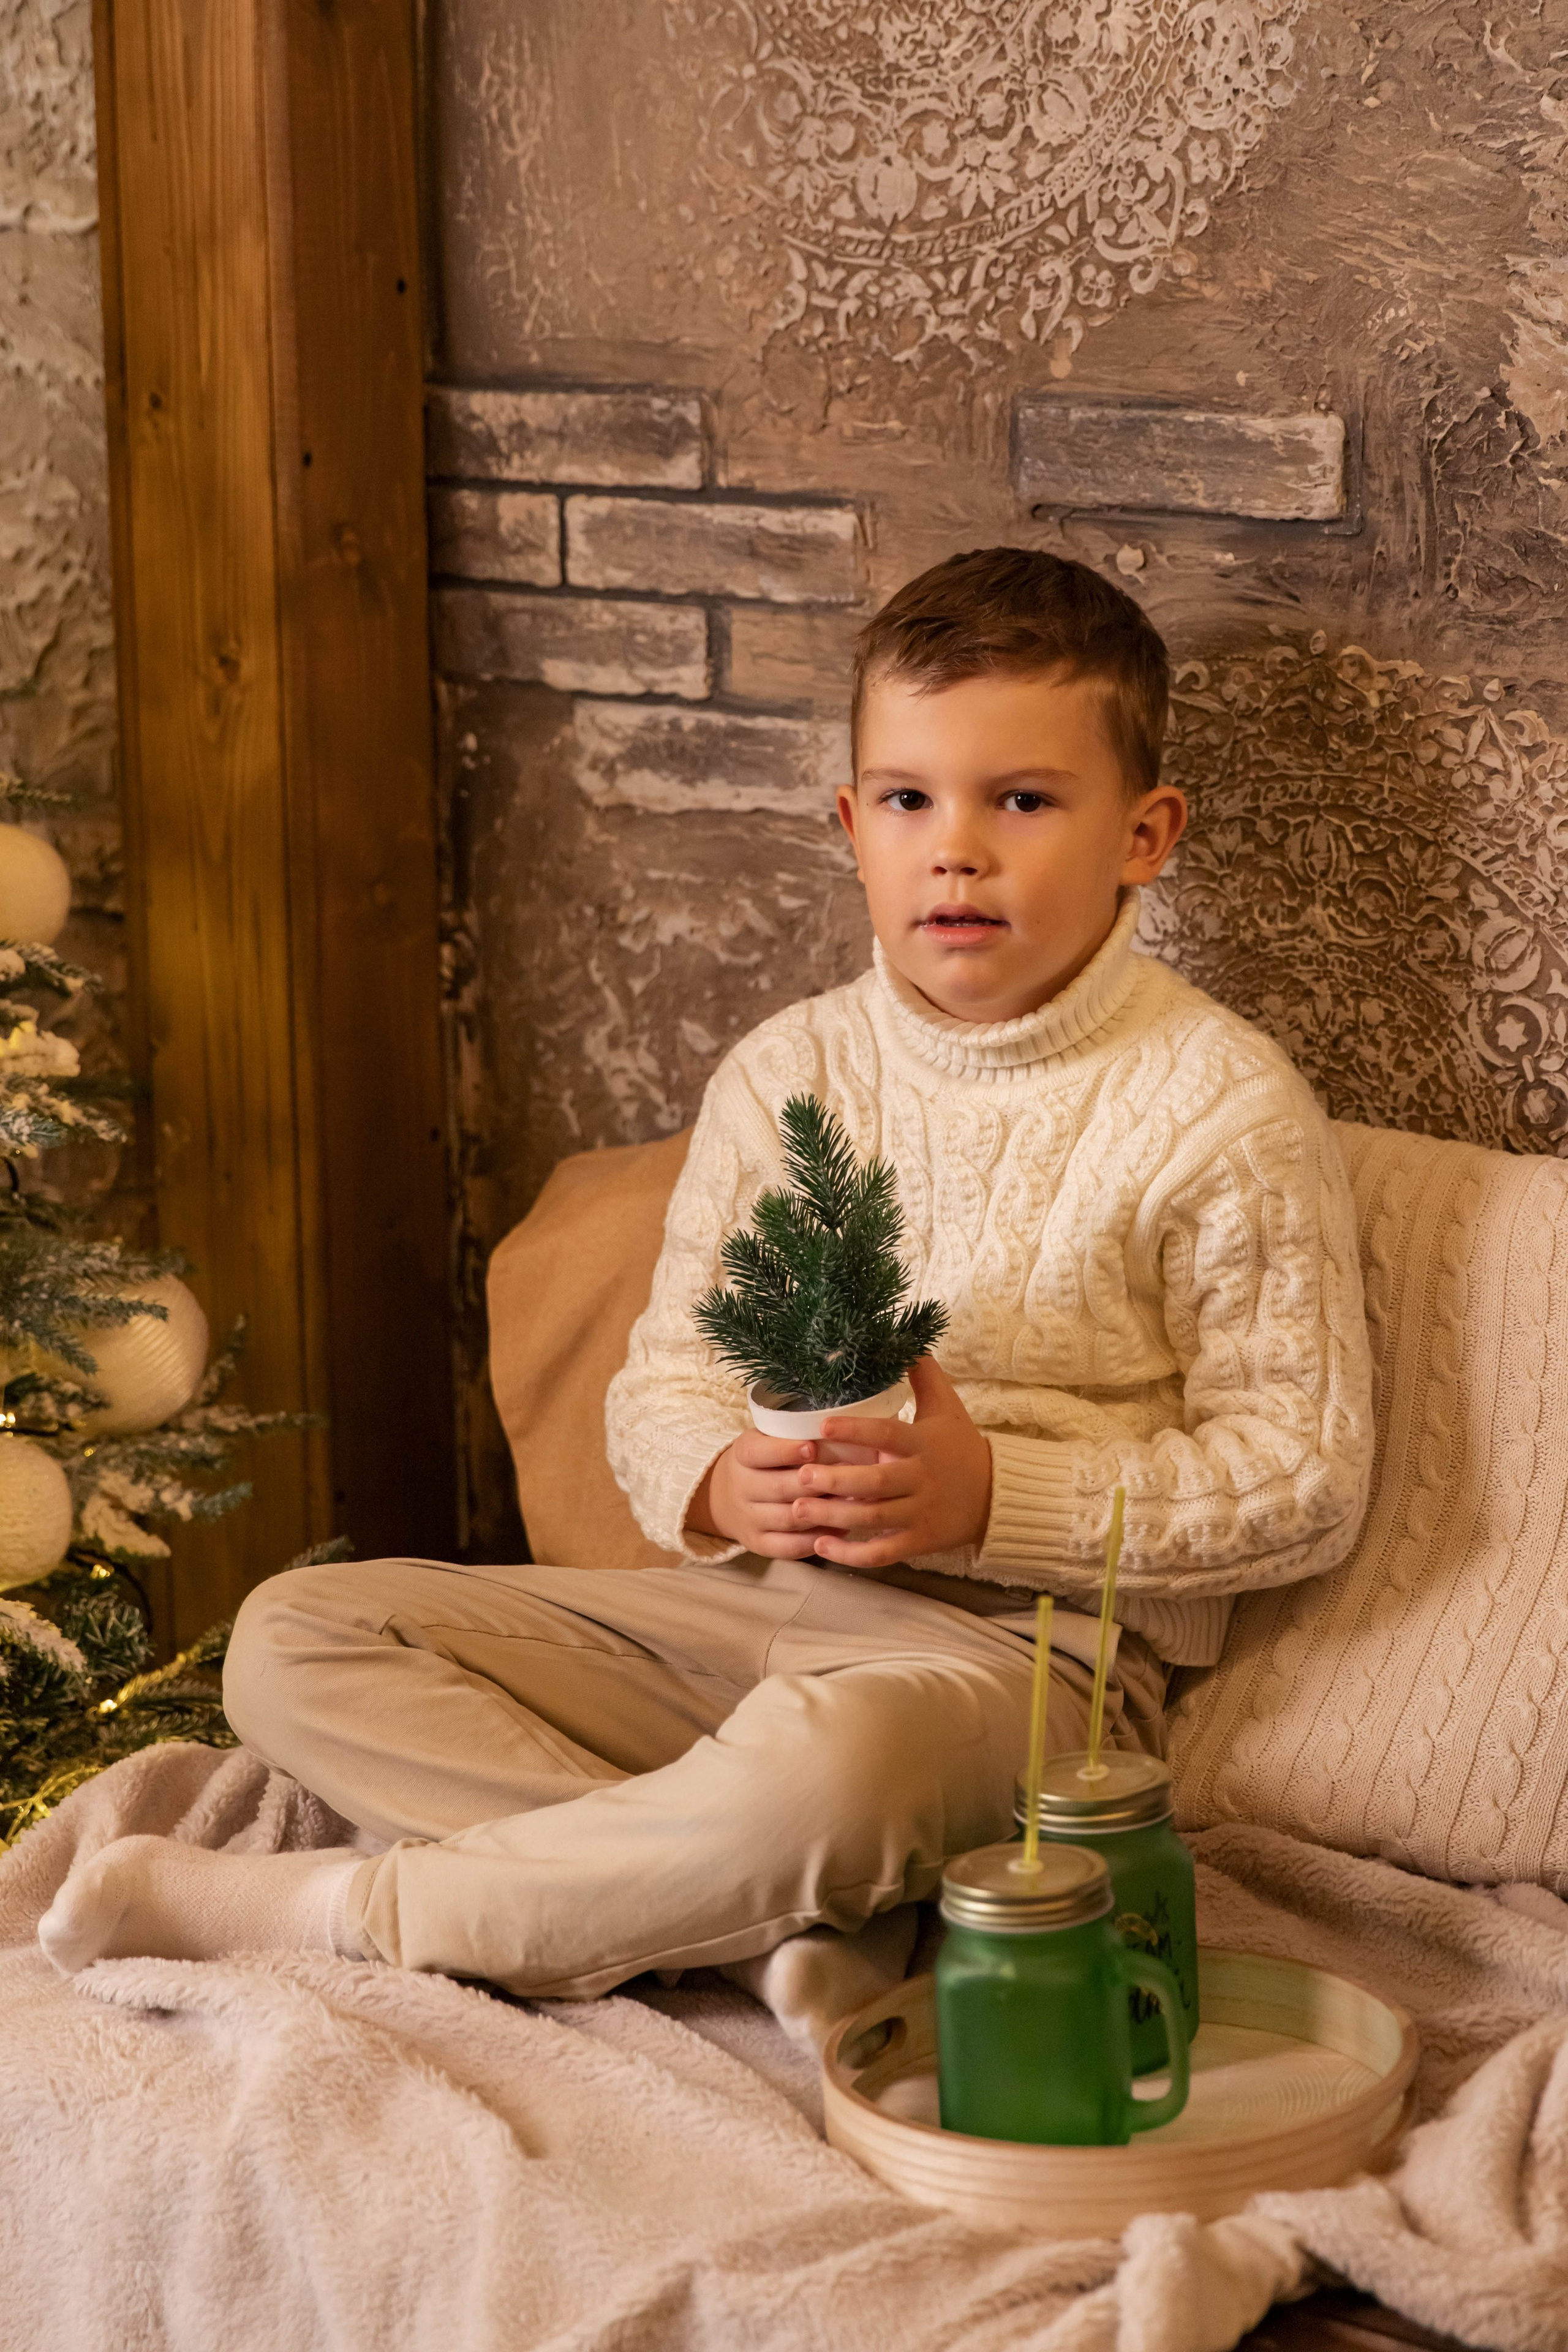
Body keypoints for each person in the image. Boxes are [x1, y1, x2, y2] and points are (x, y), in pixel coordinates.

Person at [39, 549, 1374, 2049]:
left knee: (832, 1765)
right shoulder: (787, 1073)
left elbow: (1300, 1480)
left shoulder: (1219, 1104)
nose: (956, 852)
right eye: (908, 799)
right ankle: (741, 1935)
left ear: (1144, 834)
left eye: (1021, 800)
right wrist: (718, 1481)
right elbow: (662, 1381)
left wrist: (992, 1497)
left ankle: (359, 1917)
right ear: (848, 823)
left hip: (1013, 1661)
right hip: (731, 1614)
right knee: (292, 1637)